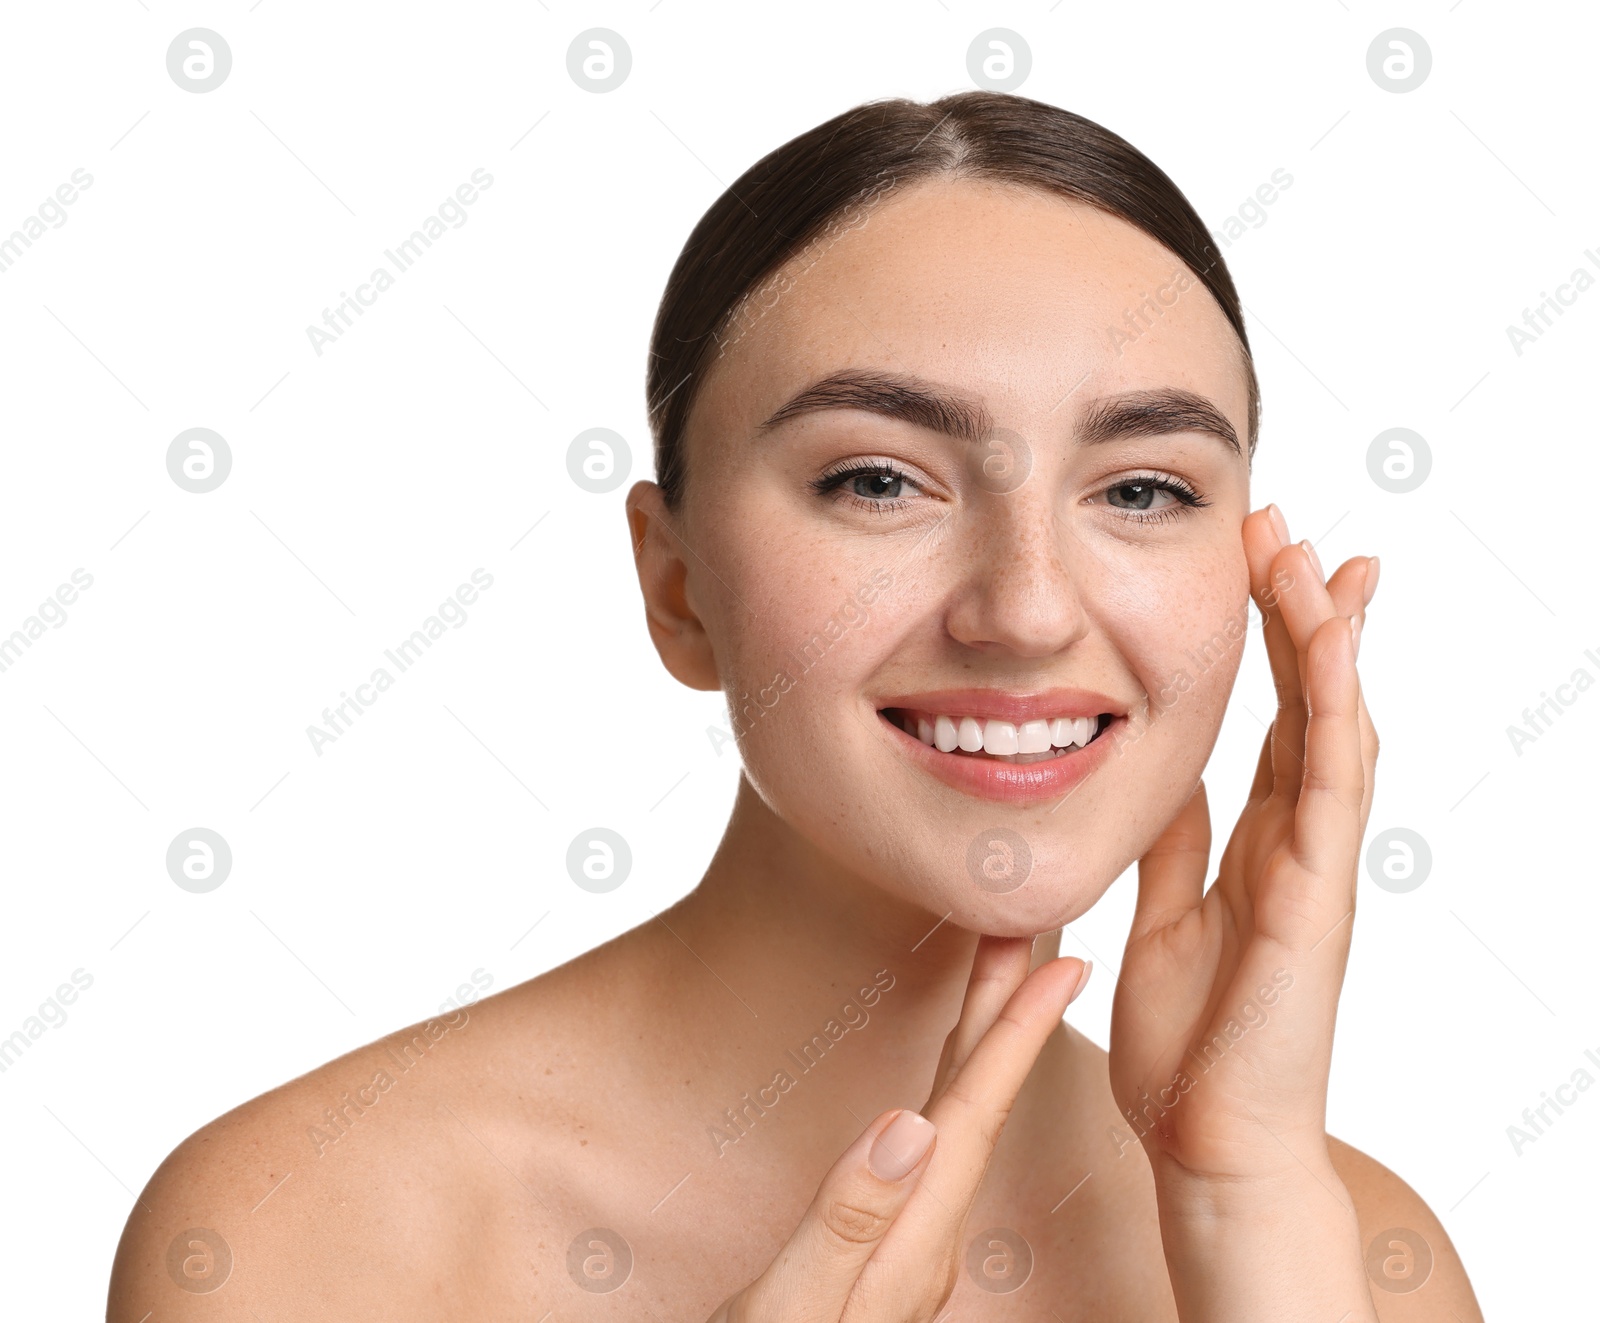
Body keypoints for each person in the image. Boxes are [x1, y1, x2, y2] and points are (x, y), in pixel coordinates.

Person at [108, 90, 1484, 1320]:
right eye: (878, 480)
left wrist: (1245, 1211)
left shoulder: (1352, 1256)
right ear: (678, 585)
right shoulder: (314, 1236)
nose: (1027, 606)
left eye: (1141, 490)